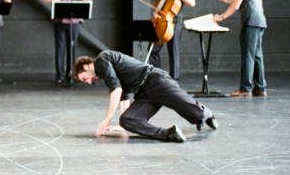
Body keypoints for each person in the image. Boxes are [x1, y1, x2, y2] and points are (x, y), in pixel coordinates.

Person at [73, 51, 216, 143]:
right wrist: (121, 124)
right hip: (145, 94)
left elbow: (116, 89)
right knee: (127, 120)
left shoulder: (101, 60)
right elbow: (124, 95)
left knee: (188, 107)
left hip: (155, 80)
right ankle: (169, 134)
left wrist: (108, 118)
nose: (89, 82)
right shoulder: (107, 71)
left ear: (87, 66)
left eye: (85, 78)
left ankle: (206, 114)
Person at [126, 0, 196, 81]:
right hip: (161, 21)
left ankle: (174, 80)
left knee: (173, 51)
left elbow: (192, 3)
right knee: (153, 49)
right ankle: (158, 77)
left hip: (175, 22)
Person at [213, 0, 267, 97]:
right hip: (259, 22)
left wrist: (221, 17)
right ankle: (260, 88)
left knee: (248, 55)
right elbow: (244, 1)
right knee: (256, 55)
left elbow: (236, 6)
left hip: (250, 22)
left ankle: (245, 88)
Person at [41, 0, 94, 84]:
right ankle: (59, 75)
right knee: (60, 48)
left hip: (74, 21)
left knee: (72, 47)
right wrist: (52, 0)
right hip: (60, 21)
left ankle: (71, 74)